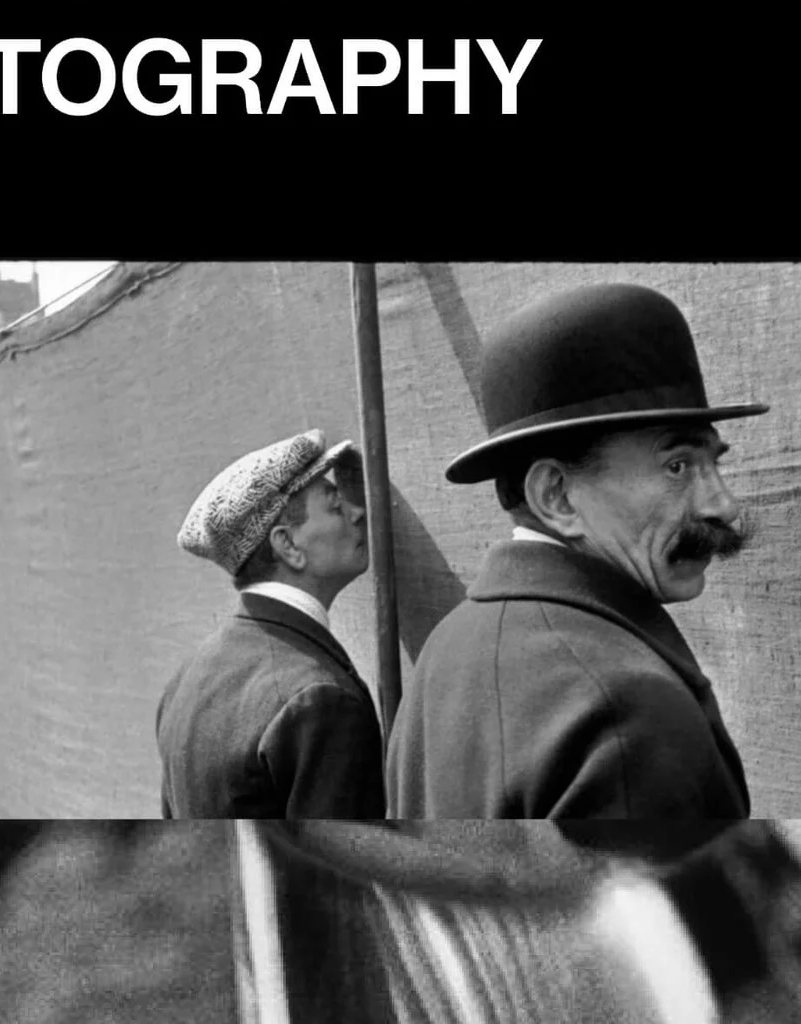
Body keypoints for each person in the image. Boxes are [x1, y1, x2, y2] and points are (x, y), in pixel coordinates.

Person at [389, 283, 762, 819]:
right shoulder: (628, 712)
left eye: (714, 464)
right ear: (556, 496)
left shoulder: (445, 647)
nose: (723, 506)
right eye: (677, 466)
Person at [156, 429, 386, 818]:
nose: (357, 512)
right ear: (288, 546)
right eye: (333, 505)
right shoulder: (318, 700)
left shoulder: (185, 679)